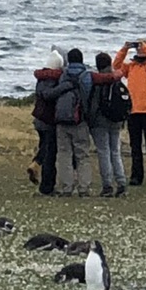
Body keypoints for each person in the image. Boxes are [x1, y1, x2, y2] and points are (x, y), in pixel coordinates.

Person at [113, 39, 146, 187]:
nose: (140, 50)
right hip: (134, 110)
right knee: (135, 147)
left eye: (143, 47)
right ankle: (136, 176)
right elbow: (116, 67)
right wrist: (124, 49)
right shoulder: (131, 67)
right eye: (139, 47)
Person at [50, 48, 94, 197]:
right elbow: (88, 96)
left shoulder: (63, 75)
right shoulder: (86, 75)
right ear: (82, 59)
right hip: (79, 120)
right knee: (82, 154)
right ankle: (84, 187)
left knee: (64, 154)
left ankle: (66, 187)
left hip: (62, 119)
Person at [89, 51, 130, 198]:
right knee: (115, 152)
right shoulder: (117, 80)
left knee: (104, 152)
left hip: (101, 121)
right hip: (116, 121)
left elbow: (94, 104)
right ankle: (121, 183)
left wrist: (90, 120)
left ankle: (107, 185)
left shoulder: (99, 81)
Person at [31, 54, 64, 195]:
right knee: (50, 154)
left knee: (44, 147)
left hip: (39, 119)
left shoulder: (41, 78)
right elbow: (48, 95)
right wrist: (65, 87)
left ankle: (37, 162)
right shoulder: (54, 80)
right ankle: (47, 186)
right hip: (49, 120)